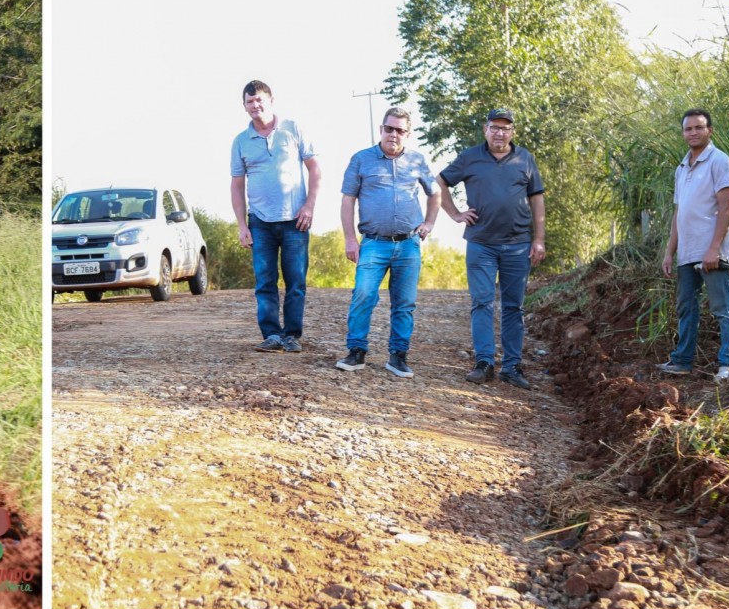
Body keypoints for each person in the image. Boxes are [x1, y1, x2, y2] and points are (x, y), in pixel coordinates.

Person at [438, 109, 546, 389]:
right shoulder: (469, 157)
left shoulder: (525, 158)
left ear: (513, 132)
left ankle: (512, 366)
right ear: (485, 129)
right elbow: (439, 182)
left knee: (514, 306)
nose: (500, 132)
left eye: (505, 128)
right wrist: (455, 214)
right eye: (495, 127)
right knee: (482, 303)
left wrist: (539, 239)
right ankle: (484, 362)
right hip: (481, 243)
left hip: (518, 244)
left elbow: (537, 198)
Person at [335, 107, 439, 377]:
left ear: (408, 133)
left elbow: (435, 194)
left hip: (408, 245)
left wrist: (428, 224)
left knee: (404, 303)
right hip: (373, 243)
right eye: (389, 128)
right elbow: (348, 200)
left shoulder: (418, 161)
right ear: (381, 129)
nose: (393, 134)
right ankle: (356, 351)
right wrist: (350, 239)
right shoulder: (361, 160)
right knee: (363, 295)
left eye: (400, 130)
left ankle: (398, 356)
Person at [230, 81, 320, 353]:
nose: (255, 105)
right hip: (260, 222)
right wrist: (242, 225)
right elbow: (237, 184)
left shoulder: (293, 129)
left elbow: (315, 170)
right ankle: (271, 334)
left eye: (259, 100)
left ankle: (292, 335)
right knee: (265, 280)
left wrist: (309, 206)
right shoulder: (241, 141)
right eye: (249, 101)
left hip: (295, 221)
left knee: (295, 280)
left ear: (270, 101)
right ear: (244, 106)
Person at [659, 108, 729, 383]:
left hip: (711, 252)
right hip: (687, 251)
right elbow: (679, 213)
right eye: (688, 129)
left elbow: (726, 207)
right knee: (686, 307)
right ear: (683, 133)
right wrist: (670, 252)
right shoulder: (681, 168)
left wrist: (714, 248)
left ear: (710, 130)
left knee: (722, 307)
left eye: (699, 127)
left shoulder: (720, 161)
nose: (693, 132)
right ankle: (682, 361)